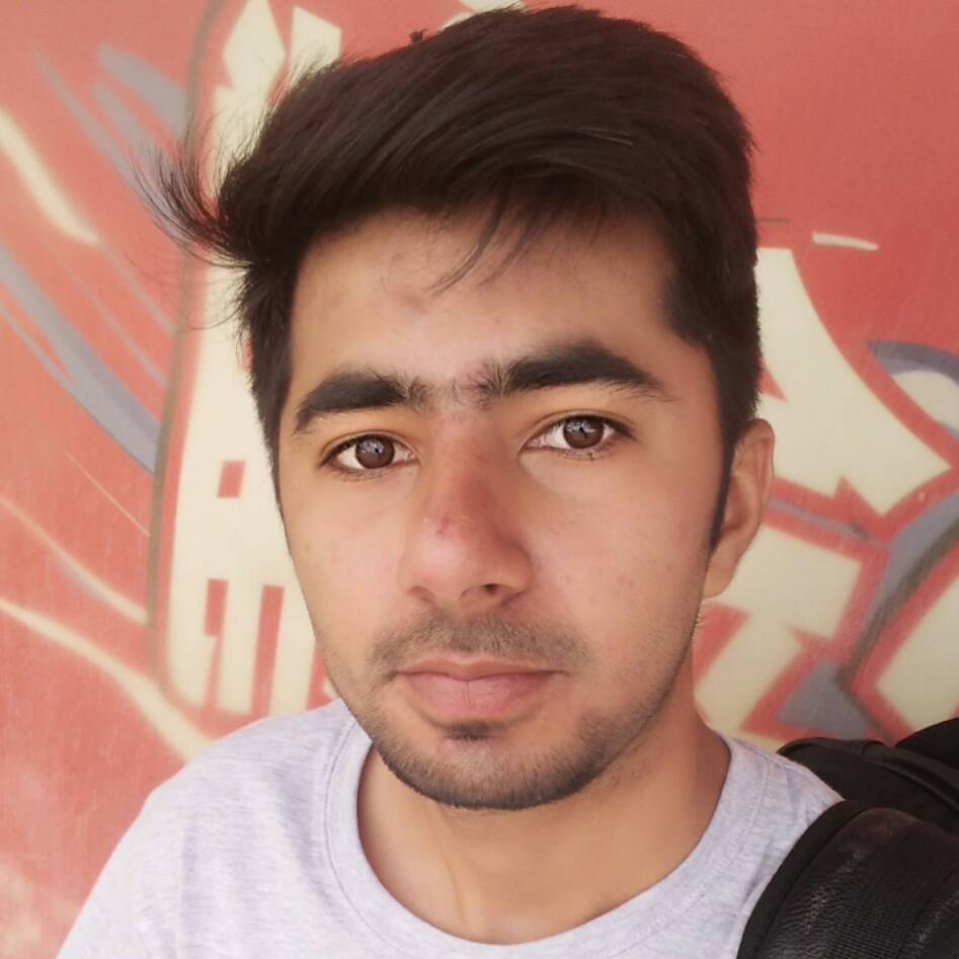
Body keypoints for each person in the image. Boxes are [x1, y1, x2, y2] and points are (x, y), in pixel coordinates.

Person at [58, 6, 839, 957]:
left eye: (577, 431)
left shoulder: (895, 927)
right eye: (369, 450)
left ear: (732, 506)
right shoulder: (207, 854)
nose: (456, 558)